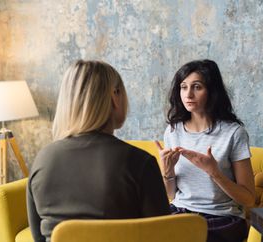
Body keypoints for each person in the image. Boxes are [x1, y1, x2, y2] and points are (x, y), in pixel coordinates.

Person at [27, 60, 170, 242]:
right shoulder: (140, 162)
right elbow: (164, 235)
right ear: (114, 96)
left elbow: (38, 237)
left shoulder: (42, 159)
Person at [155, 59, 255, 242]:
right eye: (183, 87)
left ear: (212, 91)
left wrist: (214, 172)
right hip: (180, 213)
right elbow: (171, 195)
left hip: (222, 218)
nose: (188, 94)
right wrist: (168, 171)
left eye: (197, 87)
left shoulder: (234, 133)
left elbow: (248, 199)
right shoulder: (172, 131)